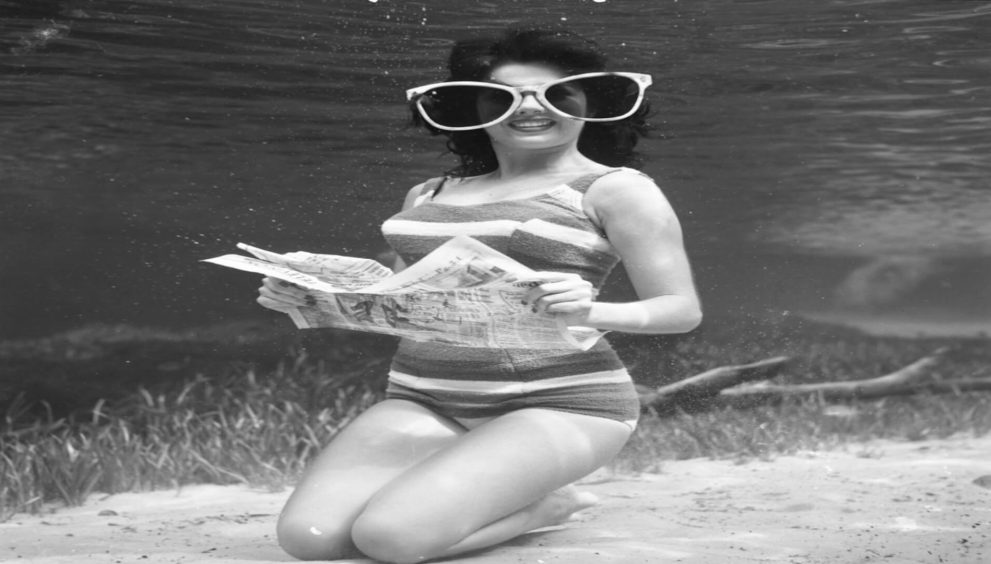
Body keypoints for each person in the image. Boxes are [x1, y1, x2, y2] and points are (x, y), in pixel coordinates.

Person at [256, 27, 702, 564]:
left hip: (562, 405)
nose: (533, 109)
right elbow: (406, 293)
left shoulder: (617, 189)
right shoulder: (428, 192)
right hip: (423, 397)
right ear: (476, 107)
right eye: (507, 96)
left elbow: (680, 311)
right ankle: (488, 490)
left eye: (557, 95)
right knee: (309, 541)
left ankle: (546, 507)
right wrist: (313, 296)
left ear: (589, 104)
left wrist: (590, 309)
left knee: (389, 539)